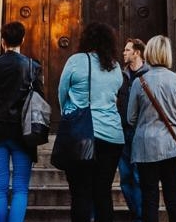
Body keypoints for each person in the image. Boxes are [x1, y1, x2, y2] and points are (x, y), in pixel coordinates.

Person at [58, 21, 124, 222]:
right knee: (103, 192)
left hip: (83, 136)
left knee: (80, 193)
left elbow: (62, 92)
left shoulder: (76, 60)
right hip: (112, 136)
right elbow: (116, 92)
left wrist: (69, 113)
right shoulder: (115, 65)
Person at [124, 36, 176, 222]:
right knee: (173, 198)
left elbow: (130, 118)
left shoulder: (139, 82)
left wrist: (144, 126)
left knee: (149, 198)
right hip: (171, 146)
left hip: (145, 146)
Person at [0, 21, 43, 222]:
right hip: (23, 133)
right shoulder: (32, 66)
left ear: (2, 42)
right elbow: (40, 100)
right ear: (23, 40)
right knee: (20, 187)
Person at [115, 38, 147, 221]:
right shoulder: (121, 76)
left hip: (140, 133)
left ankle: (141, 216)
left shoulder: (148, 74)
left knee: (138, 176)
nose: (124, 53)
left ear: (137, 52)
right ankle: (136, 213)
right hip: (122, 132)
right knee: (125, 178)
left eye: (127, 50)